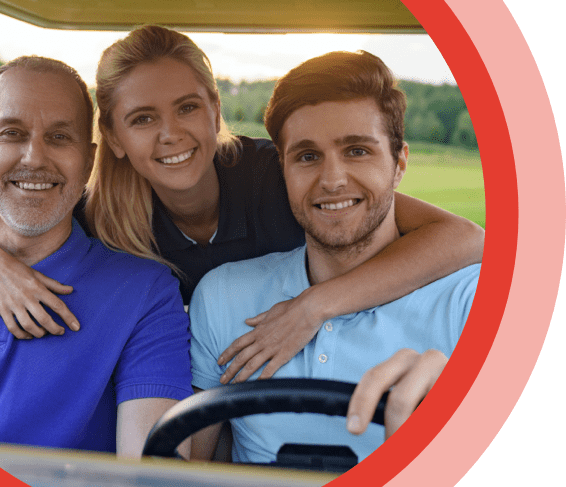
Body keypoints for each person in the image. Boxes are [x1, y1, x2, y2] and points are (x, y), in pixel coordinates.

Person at [0, 25, 484, 384]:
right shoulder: (107, 211)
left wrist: (315, 306)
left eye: (187, 108)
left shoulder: (281, 173)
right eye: (142, 119)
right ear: (112, 137)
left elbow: (466, 239)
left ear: (215, 112)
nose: (171, 135)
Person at [0, 57, 192, 458]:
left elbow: (150, 471)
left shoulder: (144, 294)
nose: (34, 158)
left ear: (90, 161)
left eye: (59, 138)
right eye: (11, 133)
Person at [189, 51, 481, 463]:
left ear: (399, 165)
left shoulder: (471, 301)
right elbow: (188, 467)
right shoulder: (222, 296)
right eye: (307, 157)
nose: (332, 180)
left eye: (357, 151)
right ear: (283, 170)